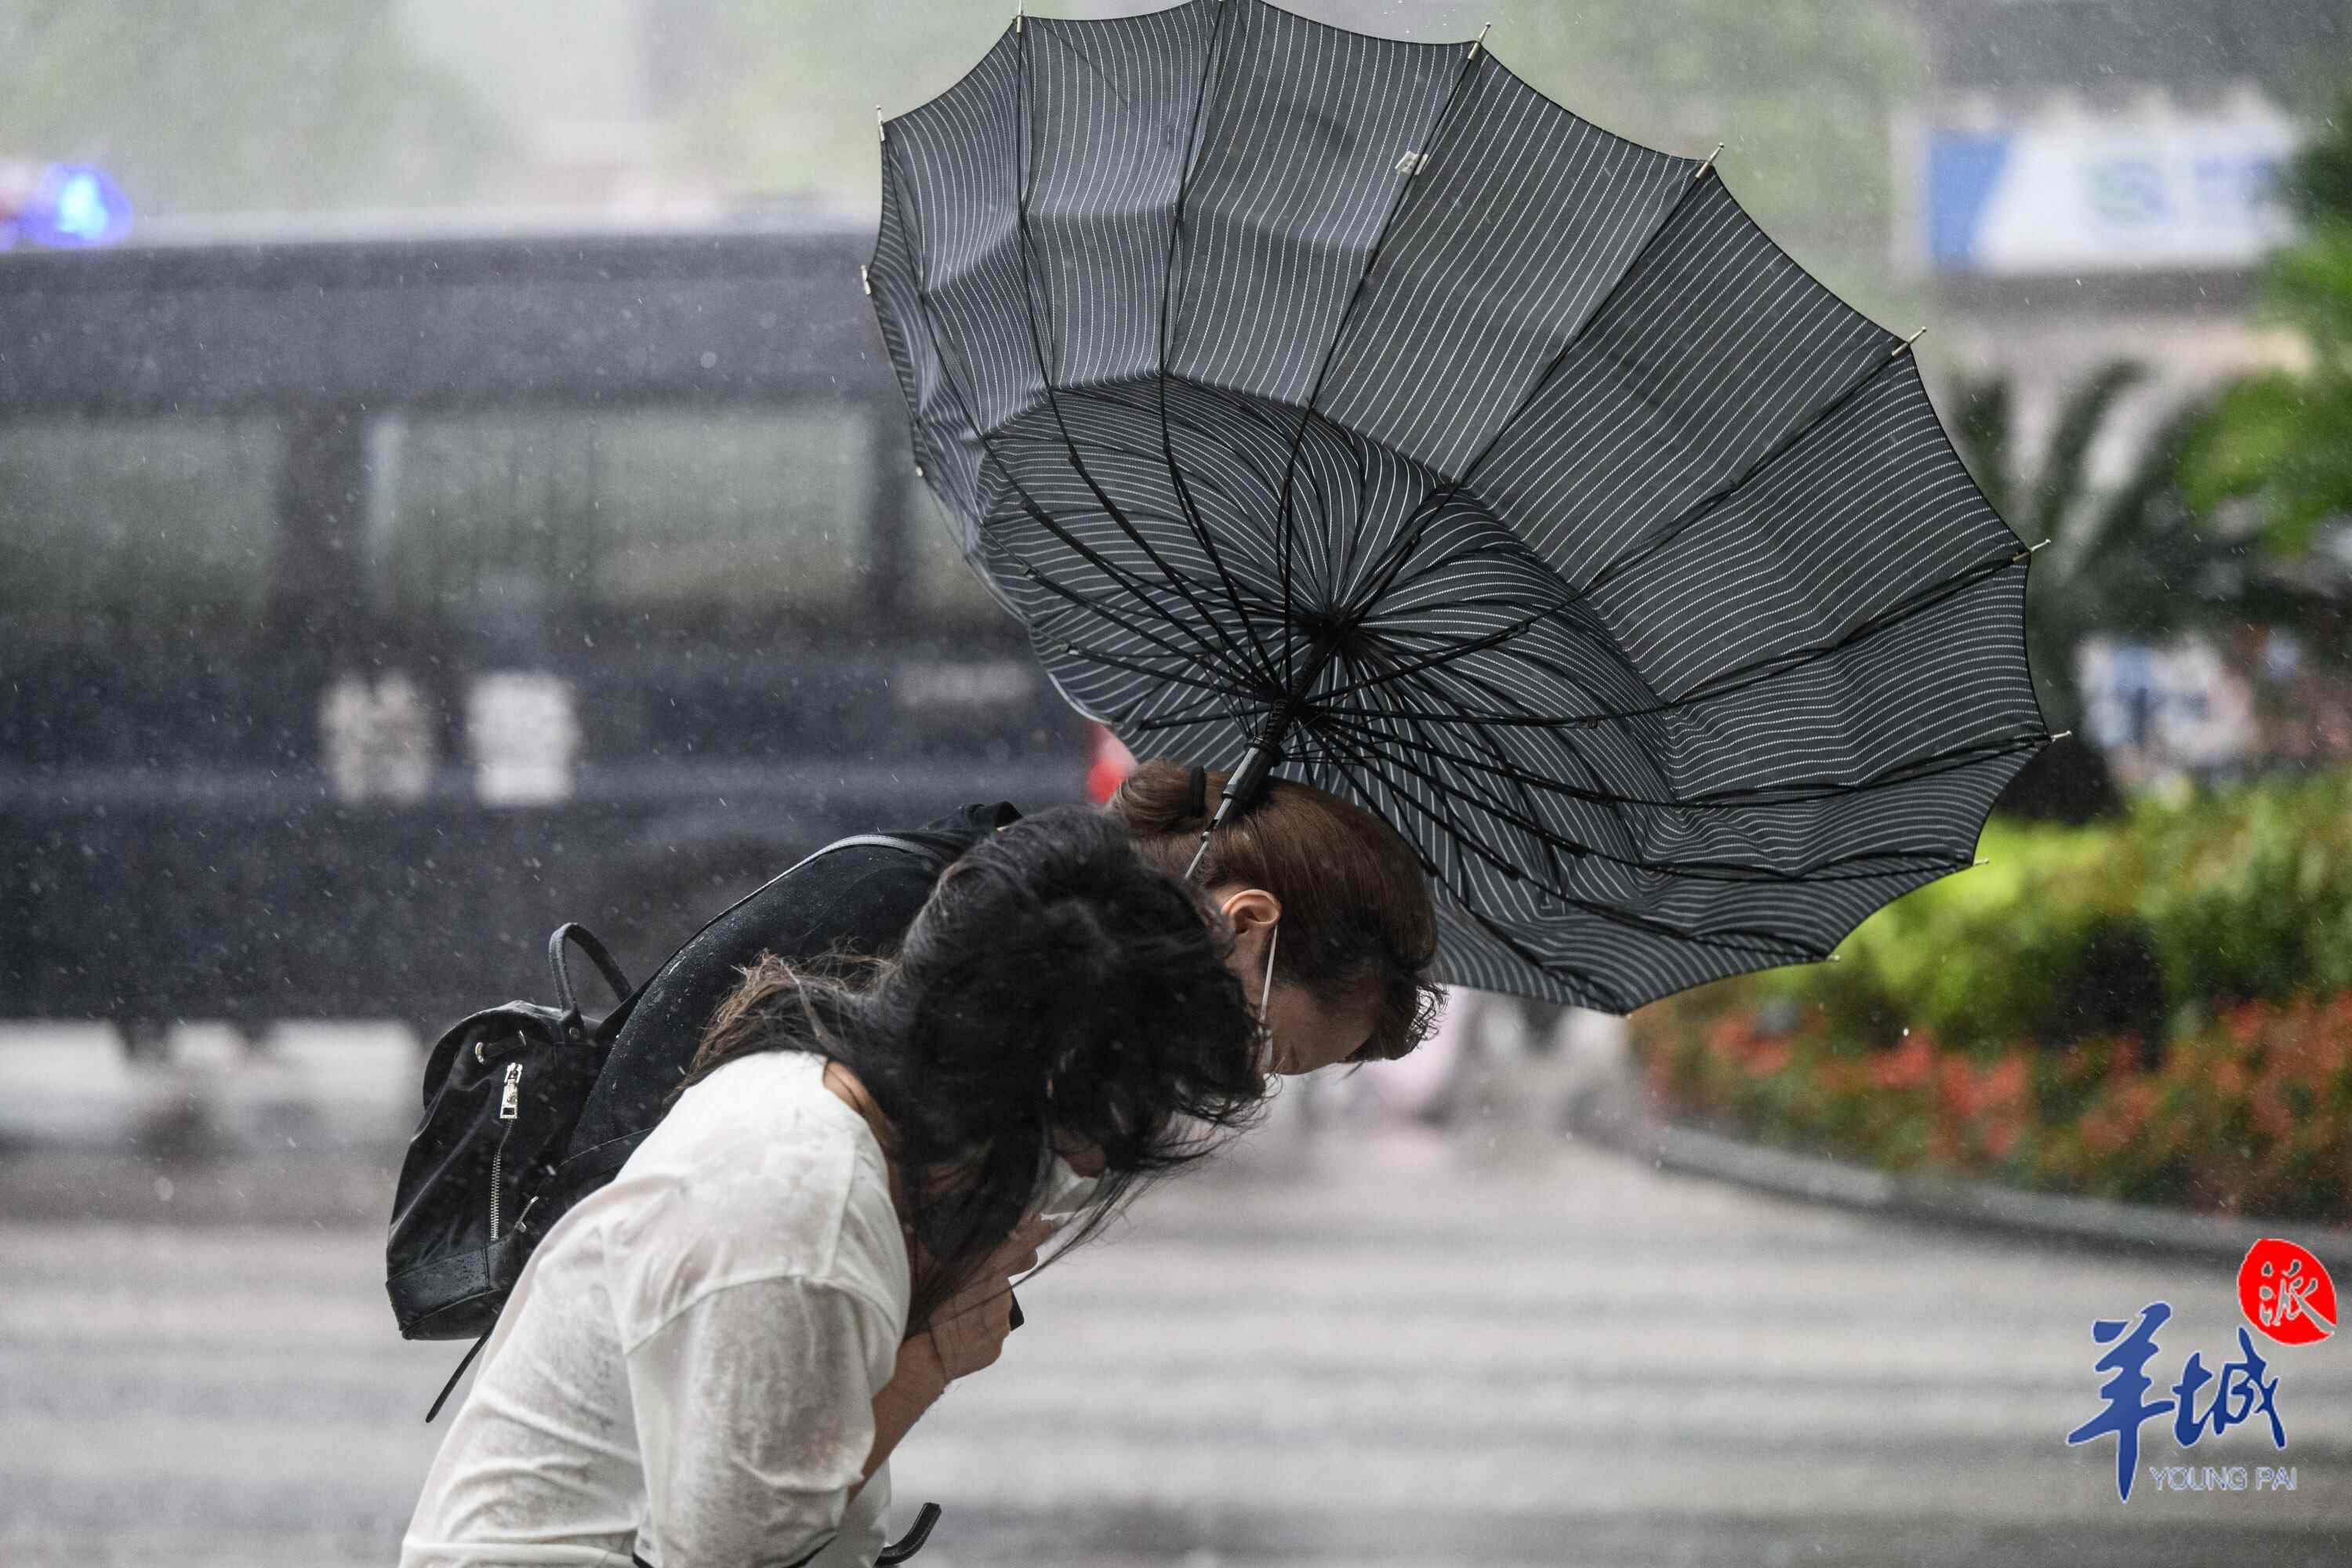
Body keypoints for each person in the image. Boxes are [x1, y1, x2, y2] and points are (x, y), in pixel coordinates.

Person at [400, 807, 1269, 1567]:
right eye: (1100, 1129)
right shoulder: (799, 1208)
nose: (1085, 1168)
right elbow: (733, 1557)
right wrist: (929, 1361)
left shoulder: (835, 1108)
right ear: (1043, 1079)